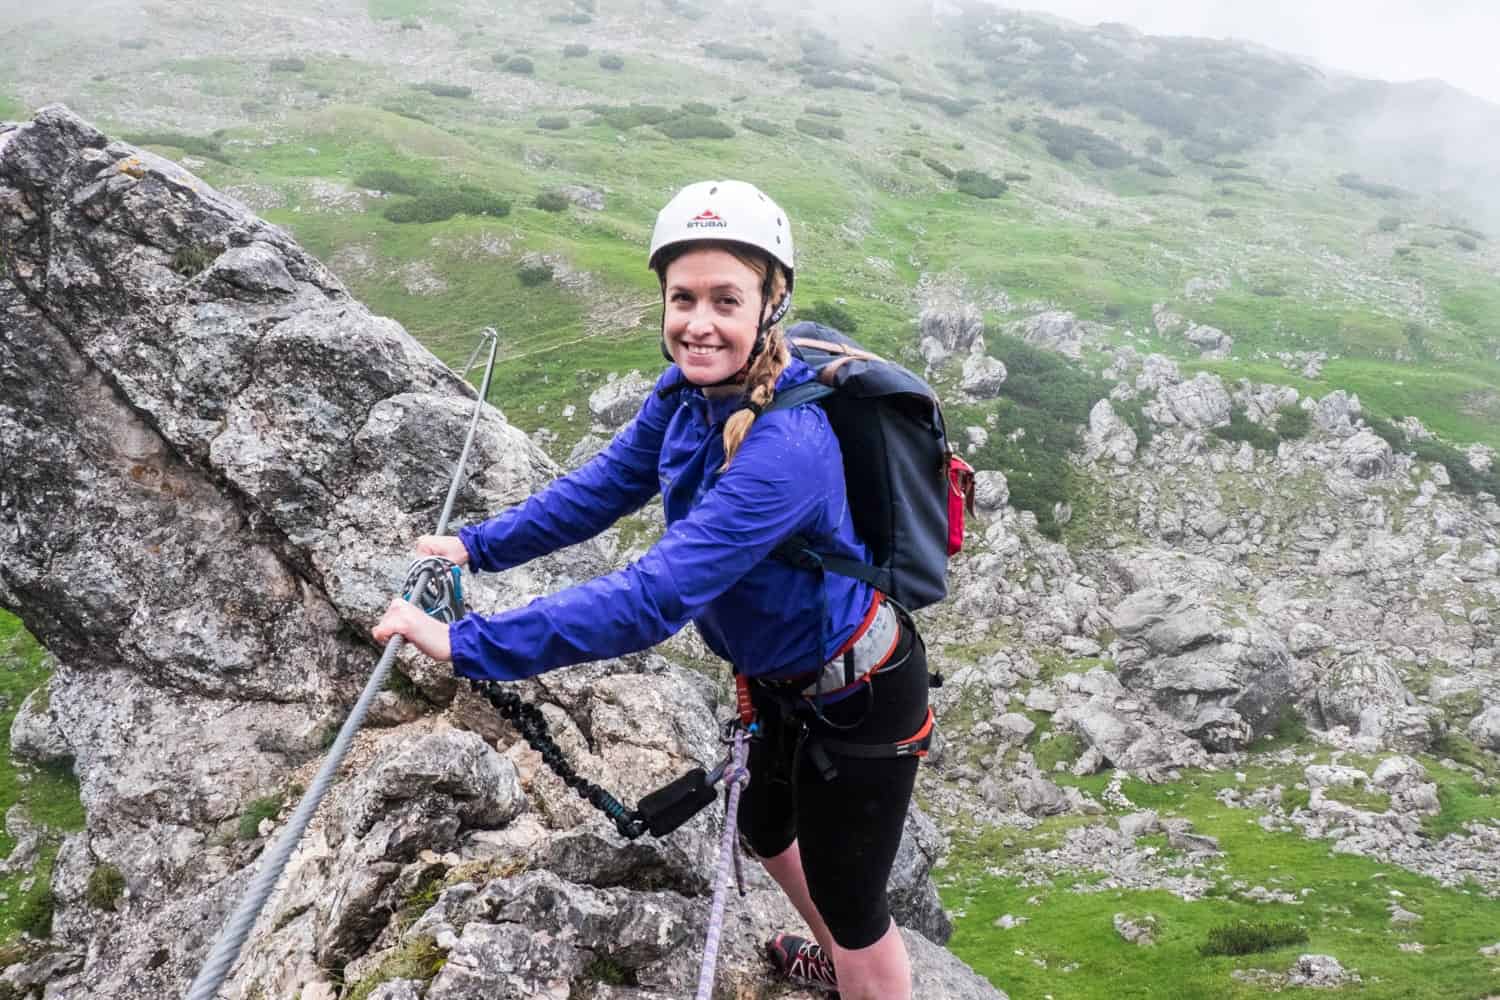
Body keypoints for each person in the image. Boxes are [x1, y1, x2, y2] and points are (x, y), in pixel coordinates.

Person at [372, 179, 929, 1000]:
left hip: (861, 694)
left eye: (725, 299)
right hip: (780, 682)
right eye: (683, 298)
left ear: (770, 306)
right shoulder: (687, 394)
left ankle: (863, 969)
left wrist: (468, 643)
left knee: (854, 904)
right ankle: (849, 970)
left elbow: (652, 600)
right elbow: (603, 489)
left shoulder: (789, 449)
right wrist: (476, 547)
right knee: (771, 833)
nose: (698, 322)